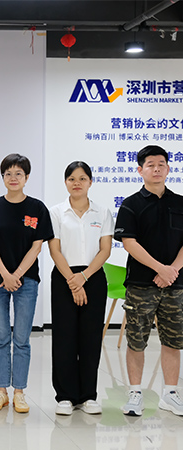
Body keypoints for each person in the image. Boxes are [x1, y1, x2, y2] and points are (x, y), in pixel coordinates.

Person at [0, 153, 53, 413]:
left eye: (18, 173)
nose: (13, 178)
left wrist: (17, 274)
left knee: (21, 339)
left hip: (27, 281)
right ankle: (1, 391)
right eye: (8, 173)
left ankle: (19, 392)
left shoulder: (37, 208)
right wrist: (6, 274)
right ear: (2, 177)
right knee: (1, 338)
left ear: (26, 177)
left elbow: (37, 247)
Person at [115, 145, 183, 417]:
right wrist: (160, 269)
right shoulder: (131, 204)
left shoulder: (180, 203)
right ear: (140, 170)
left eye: (161, 164)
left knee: (173, 340)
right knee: (136, 340)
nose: (157, 169)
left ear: (168, 168)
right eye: (151, 164)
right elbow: (129, 243)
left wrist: (172, 270)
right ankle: (135, 394)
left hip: (175, 284)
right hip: (141, 284)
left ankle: (170, 394)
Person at [49, 161, 113, 416]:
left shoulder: (102, 212)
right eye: (72, 179)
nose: (77, 183)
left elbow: (105, 250)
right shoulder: (56, 212)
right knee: (64, 337)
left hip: (93, 277)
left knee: (90, 337)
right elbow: (55, 250)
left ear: (90, 182)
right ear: (66, 182)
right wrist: (73, 281)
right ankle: (65, 396)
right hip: (64, 277)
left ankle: (88, 396)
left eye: (82, 178)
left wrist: (83, 277)